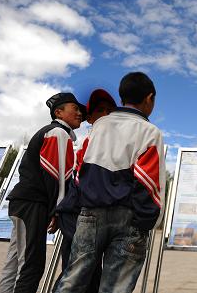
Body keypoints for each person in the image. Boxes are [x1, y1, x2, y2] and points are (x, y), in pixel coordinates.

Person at [55, 72, 166, 293]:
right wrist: (144, 222)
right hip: (129, 218)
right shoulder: (150, 132)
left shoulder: (99, 126)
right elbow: (148, 182)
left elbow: (79, 169)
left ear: (122, 97)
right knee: (116, 287)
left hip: (90, 214)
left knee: (73, 279)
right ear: (149, 98)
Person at [0, 92, 85, 293]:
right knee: (32, 265)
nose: (80, 113)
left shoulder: (54, 132)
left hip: (23, 202)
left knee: (15, 261)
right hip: (33, 203)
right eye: (75, 108)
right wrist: (57, 210)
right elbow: (56, 175)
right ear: (59, 112)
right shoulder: (57, 133)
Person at [53, 89, 117, 292]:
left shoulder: (116, 144)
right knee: (75, 274)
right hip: (77, 215)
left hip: (94, 218)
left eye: (110, 111)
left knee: (91, 275)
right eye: (100, 110)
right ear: (89, 118)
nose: (106, 115)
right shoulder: (88, 143)